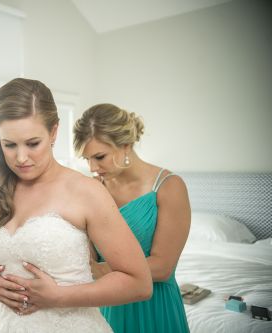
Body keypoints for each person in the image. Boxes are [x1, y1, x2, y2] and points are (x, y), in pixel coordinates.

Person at [0, 78, 152, 333]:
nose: (22, 157)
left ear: (54, 132)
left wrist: (59, 297)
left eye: (32, 143)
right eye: (10, 145)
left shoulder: (86, 192)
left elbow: (139, 283)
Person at [72, 103, 191, 333]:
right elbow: (87, 257)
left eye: (99, 157)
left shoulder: (168, 187)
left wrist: (98, 271)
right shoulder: (93, 189)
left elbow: (163, 267)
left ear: (125, 145)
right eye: (87, 159)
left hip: (154, 306)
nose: (93, 167)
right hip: (107, 305)